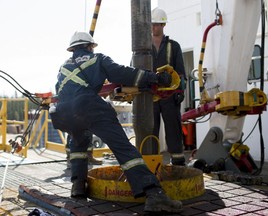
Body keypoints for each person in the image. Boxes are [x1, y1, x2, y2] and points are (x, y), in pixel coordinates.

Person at [50, 31, 182, 213]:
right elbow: (122, 73)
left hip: (63, 113)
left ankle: (78, 187)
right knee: (123, 148)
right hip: (90, 107)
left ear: (72, 49)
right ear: (90, 47)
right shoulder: (97, 59)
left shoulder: (64, 66)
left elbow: (65, 91)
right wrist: (155, 78)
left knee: (78, 145)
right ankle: (154, 194)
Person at [151, 8, 187, 166]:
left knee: (173, 127)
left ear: (163, 24)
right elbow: (134, 69)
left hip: (169, 95)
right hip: (149, 95)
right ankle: (150, 161)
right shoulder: (142, 47)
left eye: (157, 24)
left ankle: (178, 161)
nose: (154, 27)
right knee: (150, 129)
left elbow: (180, 73)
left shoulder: (174, 46)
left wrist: (180, 91)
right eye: (151, 24)